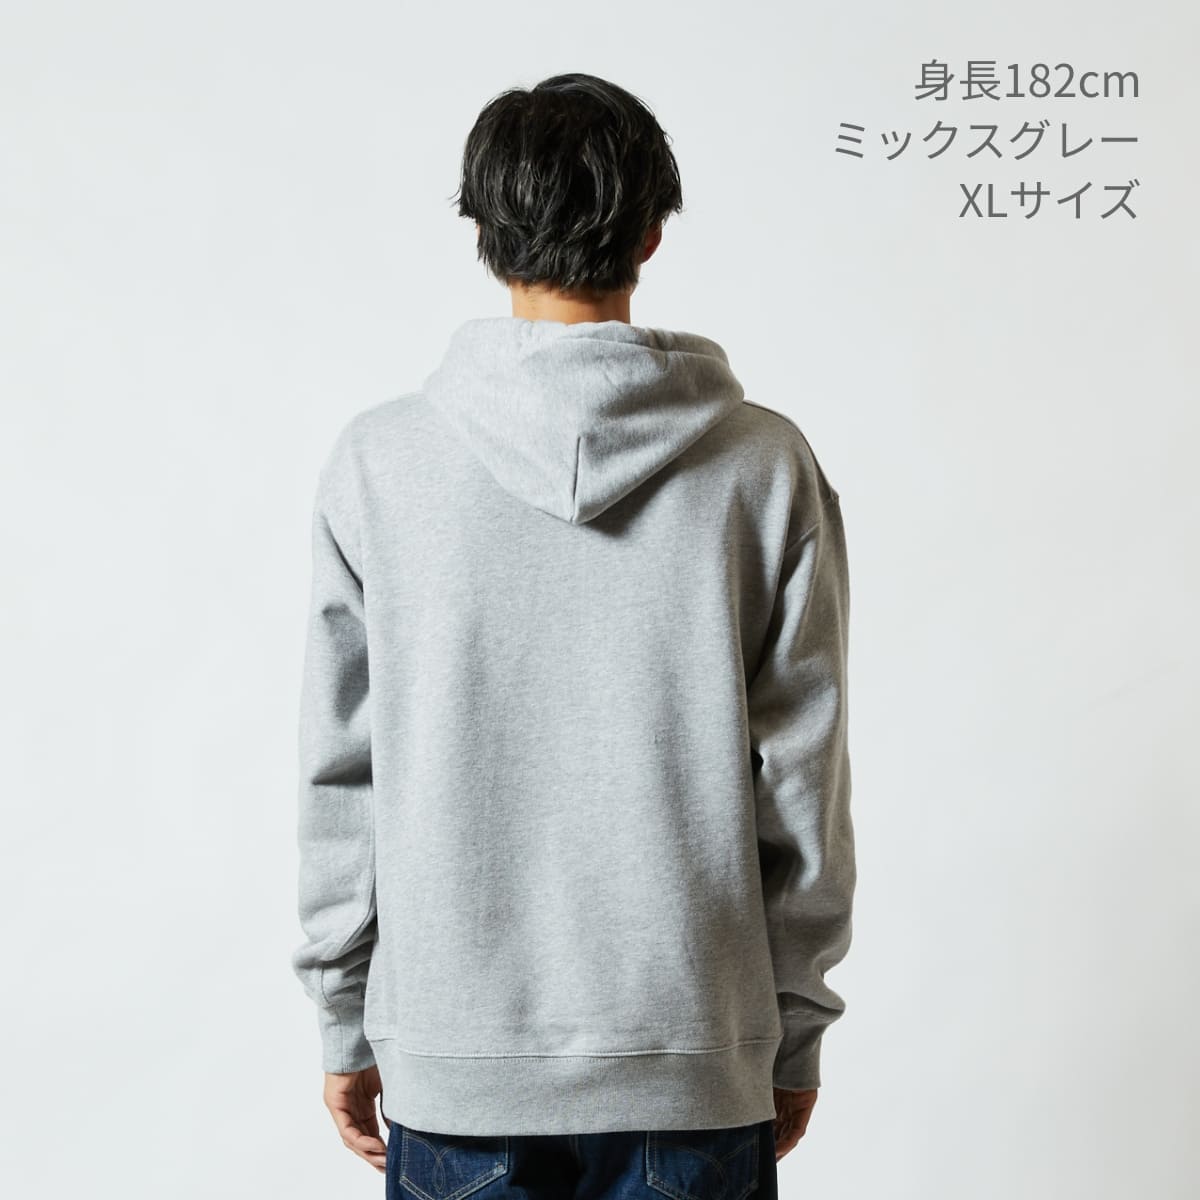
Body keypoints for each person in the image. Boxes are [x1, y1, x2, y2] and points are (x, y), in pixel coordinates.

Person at [290, 71, 856, 1198]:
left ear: (484, 236)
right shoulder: (762, 465)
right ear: (651, 233)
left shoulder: (380, 463)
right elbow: (804, 781)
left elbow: (340, 773)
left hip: (457, 1066)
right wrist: (791, 1031)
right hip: (695, 1060)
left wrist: (344, 1015)